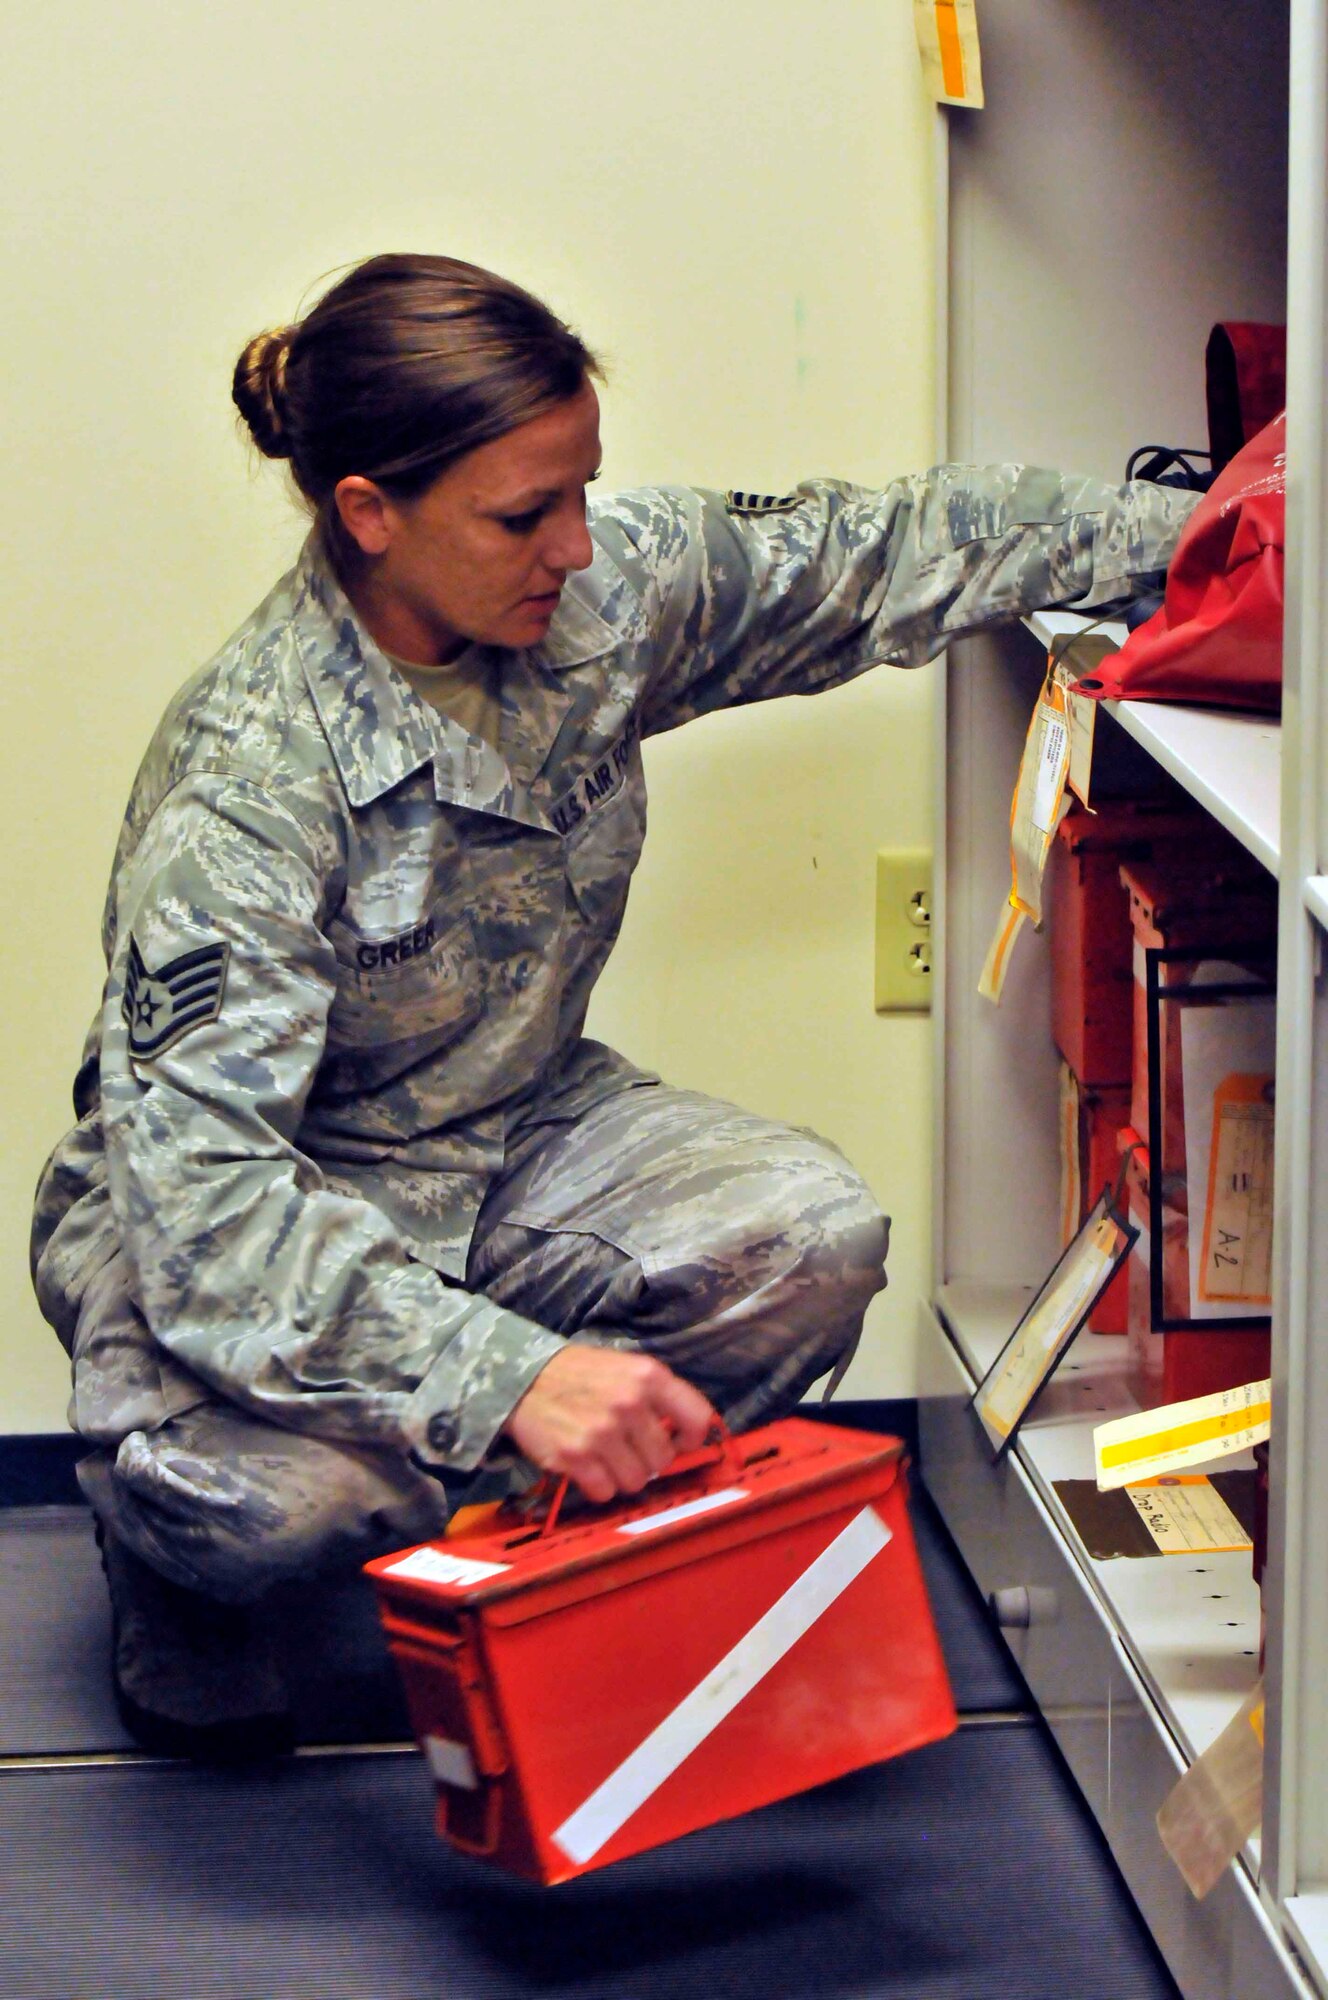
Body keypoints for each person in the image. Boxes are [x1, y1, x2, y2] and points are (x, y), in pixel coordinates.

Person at [30, 252, 1197, 1759]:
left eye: (582, 491)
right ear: (368, 515)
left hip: (502, 1130)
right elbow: (210, 1215)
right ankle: (172, 1564)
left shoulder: (591, 593)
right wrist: (507, 1374)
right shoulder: (248, 784)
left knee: (809, 1242)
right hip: (255, 1205)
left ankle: (539, 1567)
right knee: (277, 1509)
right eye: (526, 515)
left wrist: (1210, 532)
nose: (576, 546)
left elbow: (874, 548)